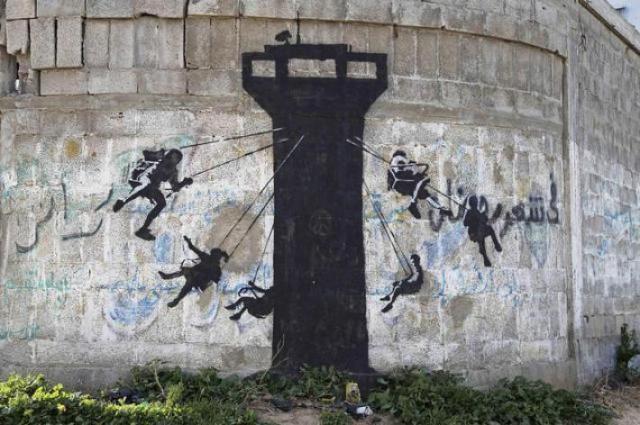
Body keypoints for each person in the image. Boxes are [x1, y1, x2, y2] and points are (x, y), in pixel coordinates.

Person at [113, 148, 193, 241]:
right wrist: (158, 153)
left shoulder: (172, 171)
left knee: (162, 203)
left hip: (152, 187)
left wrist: (184, 182)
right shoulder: (160, 159)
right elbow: (146, 153)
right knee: (144, 184)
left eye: (176, 159)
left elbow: (175, 187)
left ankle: (143, 229)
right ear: (169, 155)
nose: (174, 160)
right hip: (143, 178)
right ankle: (123, 200)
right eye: (173, 157)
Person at [159, 235, 229, 308]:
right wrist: (189, 242)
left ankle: (176, 300)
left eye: (214, 256)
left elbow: (216, 280)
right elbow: (193, 248)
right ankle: (167, 277)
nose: (212, 257)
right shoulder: (209, 260)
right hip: (193, 275)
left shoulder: (216, 268)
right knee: (186, 270)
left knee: (188, 282)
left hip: (199, 282)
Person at [387, 150, 451, 219]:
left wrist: (418, 174)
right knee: (423, 181)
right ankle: (413, 204)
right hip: (400, 183)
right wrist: (416, 173)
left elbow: (413, 172)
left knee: (425, 195)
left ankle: (440, 208)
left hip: (407, 185)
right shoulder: (396, 160)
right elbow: (405, 169)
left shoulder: (404, 165)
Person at [463, 195, 502, 267]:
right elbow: (465, 223)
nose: (476, 203)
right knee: (481, 237)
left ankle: (496, 245)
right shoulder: (470, 212)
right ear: (473, 203)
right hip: (474, 234)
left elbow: (484, 221)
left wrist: (482, 217)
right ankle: (485, 256)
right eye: (475, 202)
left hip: (479, 232)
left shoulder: (477, 212)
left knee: (489, 230)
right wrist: (472, 220)